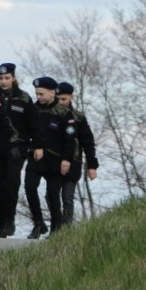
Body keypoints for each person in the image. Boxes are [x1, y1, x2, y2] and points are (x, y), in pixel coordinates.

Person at [0, 63, 42, 238]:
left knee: (11, 183)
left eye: (7, 78)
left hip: (17, 148)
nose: (3, 81)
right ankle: (0, 223)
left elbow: (34, 124)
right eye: (0, 78)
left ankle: (10, 221)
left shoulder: (23, 98)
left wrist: (38, 145)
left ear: (13, 78)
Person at [23, 76, 75, 239]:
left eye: (42, 94)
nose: (39, 97)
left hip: (55, 161)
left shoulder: (63, 112)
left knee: (53, 195)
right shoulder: (32, 110)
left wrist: (66, 159)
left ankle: (56, 228)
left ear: (52, 93)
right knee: (30, 188)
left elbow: (70, 139)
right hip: (36, 158)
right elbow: (26, 132)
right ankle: (38, 223)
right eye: (37, 94)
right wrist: (31, 148)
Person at [56, 81, 99, 226]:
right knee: (51, 197)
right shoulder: (50, 115)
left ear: (71, 97)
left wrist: (92, 166)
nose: (60, 102)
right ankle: (56, 226)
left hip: (73, 163)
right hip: (53, 162)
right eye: (58, 99)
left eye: (64, 99)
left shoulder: (78, 118)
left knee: (67, 198)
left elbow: (88, 143)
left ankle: (66, 228)